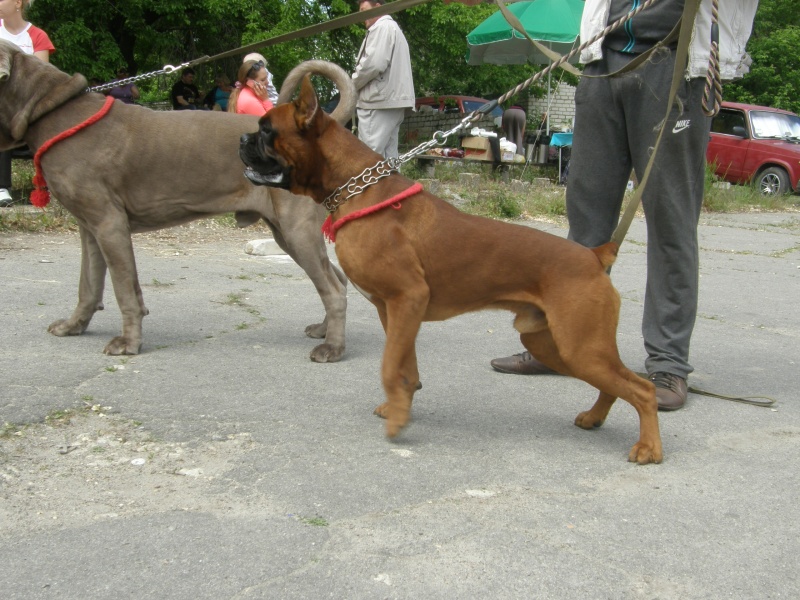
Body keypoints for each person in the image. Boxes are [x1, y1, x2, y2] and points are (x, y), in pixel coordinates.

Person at [448, 0, 758, 411]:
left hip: (678, 61)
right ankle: (559, 345)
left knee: (671, 224)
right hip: (602, 60)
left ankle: (668, 362)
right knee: (585, 226)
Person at [0, 0, 55, 207]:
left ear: (17, 3)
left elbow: (40, 79)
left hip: (27, 106)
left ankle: (47, 186)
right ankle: (2, 187)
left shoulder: (38, 36)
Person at [351, 0, 414, 159]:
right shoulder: (393, 29)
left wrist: (350, 85)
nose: (362, 16)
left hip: (378, 102)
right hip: (391, 101)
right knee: (389, 160)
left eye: (365, 10)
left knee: (368, 158)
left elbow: (372, 65)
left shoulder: (381, 27)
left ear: (378, 7)